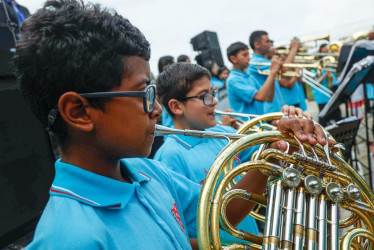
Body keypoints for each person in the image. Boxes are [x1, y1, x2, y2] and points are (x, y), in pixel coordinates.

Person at [15, 0, 333, 248]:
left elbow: (220, 214)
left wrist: (271, 156)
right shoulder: (69, 238)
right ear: (80, 112)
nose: (155, 110)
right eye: (143, 93)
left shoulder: (146, 171)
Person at [154, 62, 260, 243]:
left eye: (213, 93)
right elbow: (179, 235)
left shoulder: (225, 135)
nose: (215, 101)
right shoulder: (170, 156)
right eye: (205, 96)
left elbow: (266, 153)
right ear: (177, 107)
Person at [248, 31, 300, 113]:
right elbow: (285, 68)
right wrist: (293, 49)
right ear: (257, 45)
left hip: (277, 106)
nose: (270, 44)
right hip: (270, 109)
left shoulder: (264, 60)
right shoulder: (256, 62)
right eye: (267, 42)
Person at [225, 42, 282, 115]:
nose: (248, 57)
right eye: (244, 55)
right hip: (249, 124)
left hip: (259, 122)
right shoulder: (234, 80)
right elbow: (260, 97)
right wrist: (272, 72)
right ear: (233, 59)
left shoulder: (248, 76)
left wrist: (273, 74)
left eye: (248, 54)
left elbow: (269, 98)